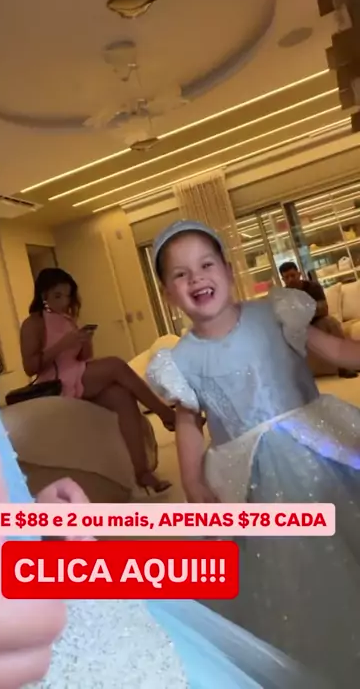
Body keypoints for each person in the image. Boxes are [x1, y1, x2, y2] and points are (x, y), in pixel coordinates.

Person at [0, 115, 326, 688]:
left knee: (115, 383)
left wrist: (27, 511)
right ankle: (166, 414)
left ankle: (153, 434)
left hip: (35, 562)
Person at [147, 219, 360, 689]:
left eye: (206, 265)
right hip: (251, 475)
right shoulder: (181, 360)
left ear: (228, 269)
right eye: (180, 274)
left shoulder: (277, 313)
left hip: (317, 443)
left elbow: (337, 350)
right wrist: (193, 481)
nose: (196, 278)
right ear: (167, 292)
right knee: (289, 572)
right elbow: (189, 423)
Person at [20, 267, 175, 493]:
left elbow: (84, 358)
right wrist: (63, 344)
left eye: (67, 296)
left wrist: (84, 342)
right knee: (115, 365)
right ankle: (165, 413)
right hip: (54, 381)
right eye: (57, 296)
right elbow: (30, 367)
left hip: (76, 373)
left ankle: (142, 472)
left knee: (122, 397)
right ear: (44, 295)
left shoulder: (67, 319)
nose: (64, 302)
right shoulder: (33, 324)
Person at [279, 260, 357, 378]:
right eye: (286, 277)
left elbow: (323, 309)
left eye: (292, 275)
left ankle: (344, 366)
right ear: (283, 279)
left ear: (299, 274)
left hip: (316, 323)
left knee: (331, 322)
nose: (290, 279)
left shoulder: (313, 287)